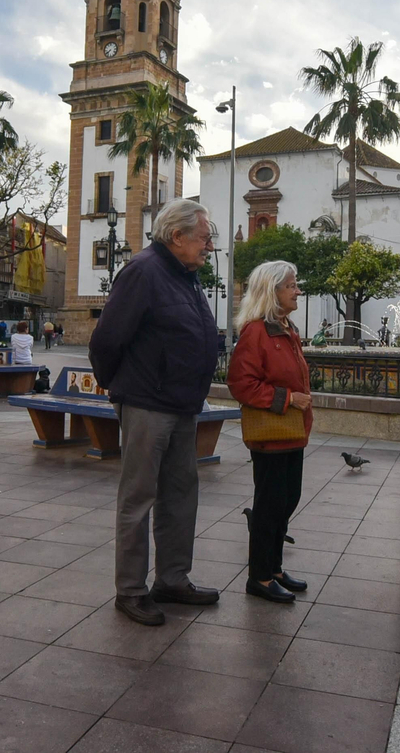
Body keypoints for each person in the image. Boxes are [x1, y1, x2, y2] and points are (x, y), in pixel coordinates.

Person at [89, 198, 221, 626]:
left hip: (182, 404)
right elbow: (106, 340)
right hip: (147, 403)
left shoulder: (186, 276)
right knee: (139, 499)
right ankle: (130, 590)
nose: (209, 246)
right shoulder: (144, 271)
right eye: (204, 238)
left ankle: (172, 580)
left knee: (181, 496)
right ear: (177, 236)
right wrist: (118, 388)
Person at [227, 260, 312, 604]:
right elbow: (241, 383)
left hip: (292, 431)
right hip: (272, 433)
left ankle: (274, 568)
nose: (297, 291)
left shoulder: (285, 328)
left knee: (287, 501)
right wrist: (288, 398)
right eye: (291, 285)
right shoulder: (256, 332)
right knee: (270, 504)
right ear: (272, 291)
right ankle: (259, 577)